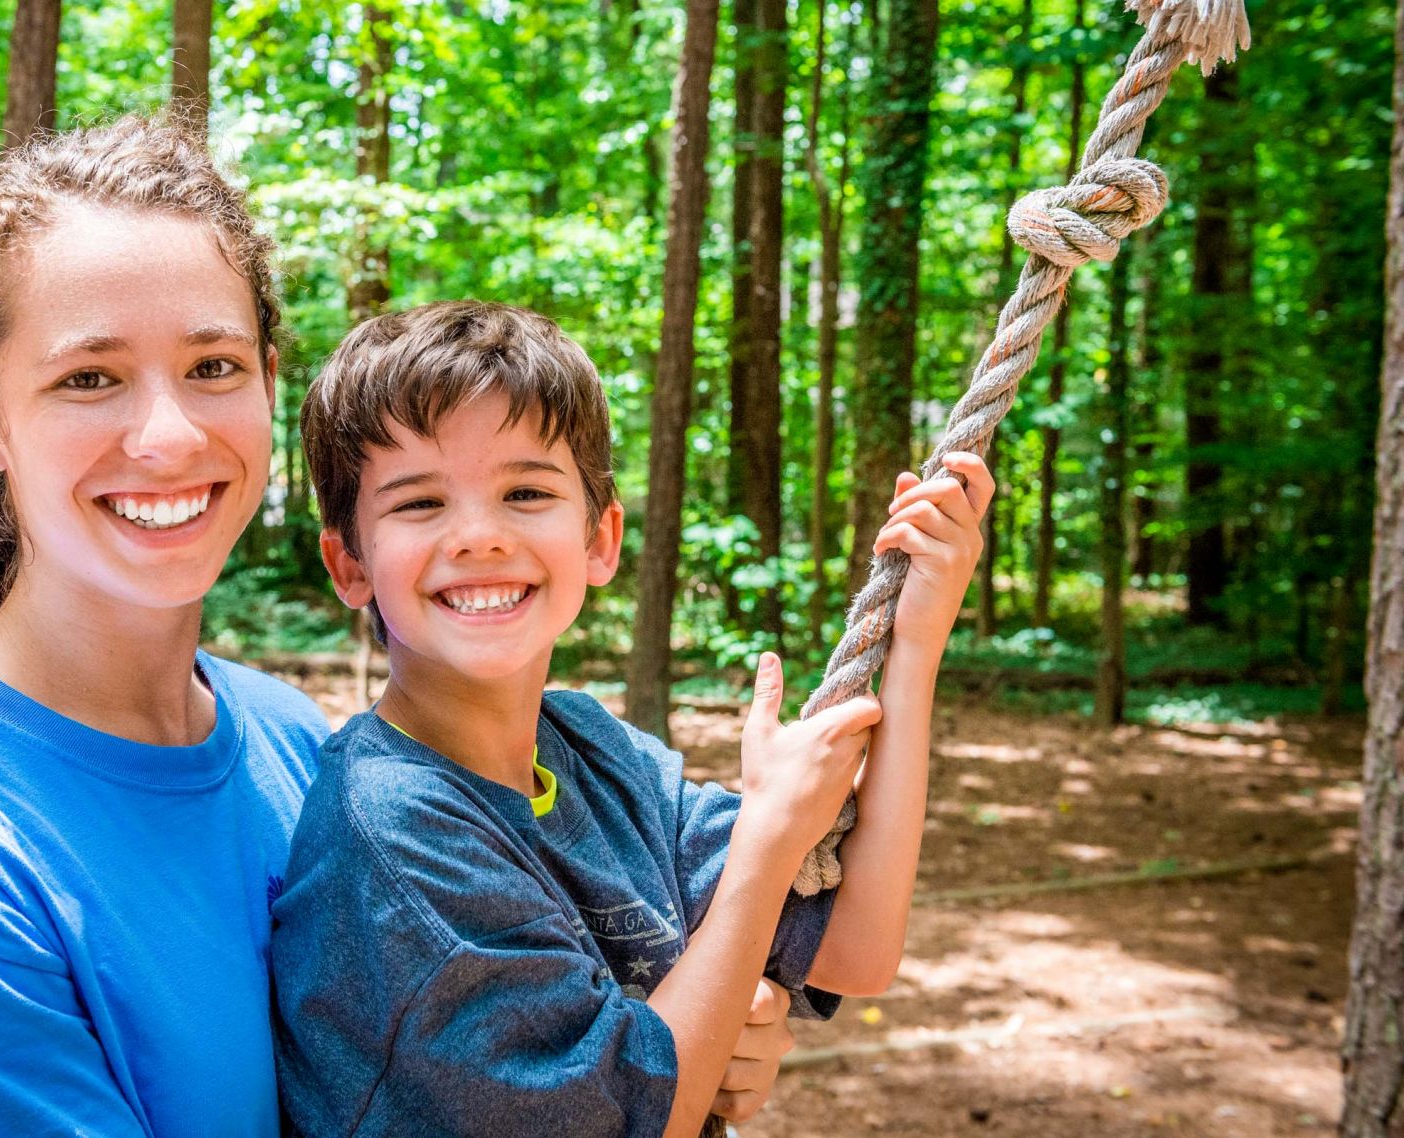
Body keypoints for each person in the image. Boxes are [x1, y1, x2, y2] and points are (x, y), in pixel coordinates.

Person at [0, 120, 798, 1137]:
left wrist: (682, 1034)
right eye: (89, 377)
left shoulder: (297, 745)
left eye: (212, 366)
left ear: (268, 379)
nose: (169, 435)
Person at [271, 301, 993, 1137]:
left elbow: (854, 948)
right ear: (348, 564)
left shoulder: (597, 755)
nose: (479, 536)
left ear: (600, 540)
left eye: (527, 491)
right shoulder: (392, 829)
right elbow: (629, 1121)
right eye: (420, 504)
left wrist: (916, 643)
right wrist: (765, 842)